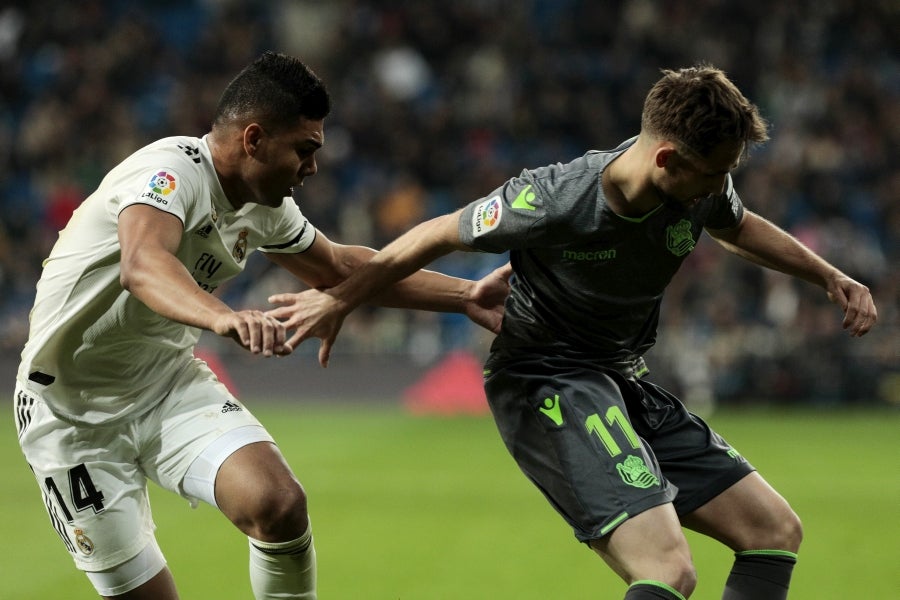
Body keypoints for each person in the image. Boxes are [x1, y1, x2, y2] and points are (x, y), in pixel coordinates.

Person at [268, 64, 878, 600]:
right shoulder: (557, 197)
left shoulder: (699, 186)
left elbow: (737, 226)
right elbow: (436, 233)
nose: (721, 189)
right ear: (667, 159)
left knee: (774, 531)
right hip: (547, 380)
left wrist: (828, 276)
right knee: (667, 569)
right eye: (714, 176)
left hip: (621, 377)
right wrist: (342, 299)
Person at [13, 51, 511, 600]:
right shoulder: (169, 172)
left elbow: (340, 269)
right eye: (305, 148)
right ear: (254, 139)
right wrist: (224, 317)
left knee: (278, 504)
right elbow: (143, 264)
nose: (313, 166)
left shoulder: (263, 205)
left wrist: (465, 295)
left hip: (165, 386)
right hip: (70, 413)